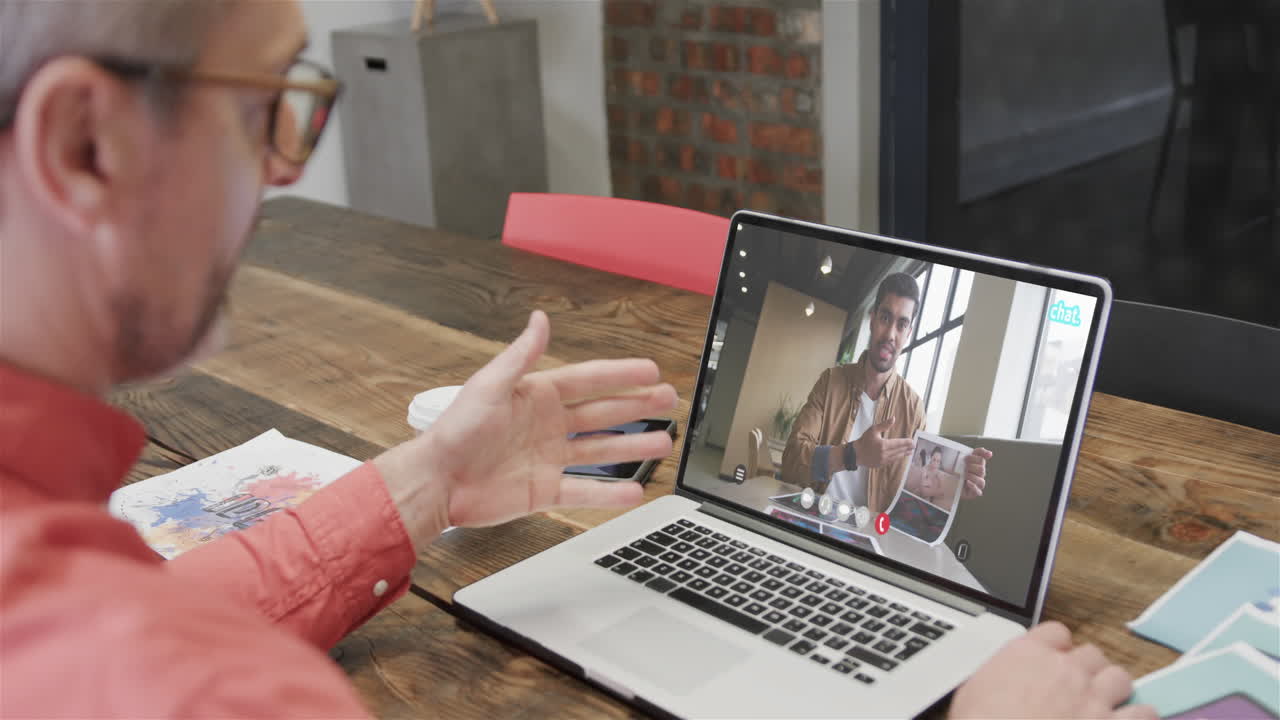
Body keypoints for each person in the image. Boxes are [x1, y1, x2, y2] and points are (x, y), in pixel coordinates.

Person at [0, 2, 1153, 718]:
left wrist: (430, 481)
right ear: (82, 145)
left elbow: (154, 615)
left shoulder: (80, 605)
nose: (286, 169)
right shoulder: (202, 688)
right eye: (265, 107)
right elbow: (803, 462)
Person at [781, 272, 993, 515]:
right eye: (885, 317)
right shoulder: (830, 382)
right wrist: (852, 454)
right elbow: (791, 461)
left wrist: (953, 492)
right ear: (872, 319)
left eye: (901, 324)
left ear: (908, 333)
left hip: (864, 538)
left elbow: (911, 497)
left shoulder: (913, 409)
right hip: (813, 516)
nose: (891, 334)